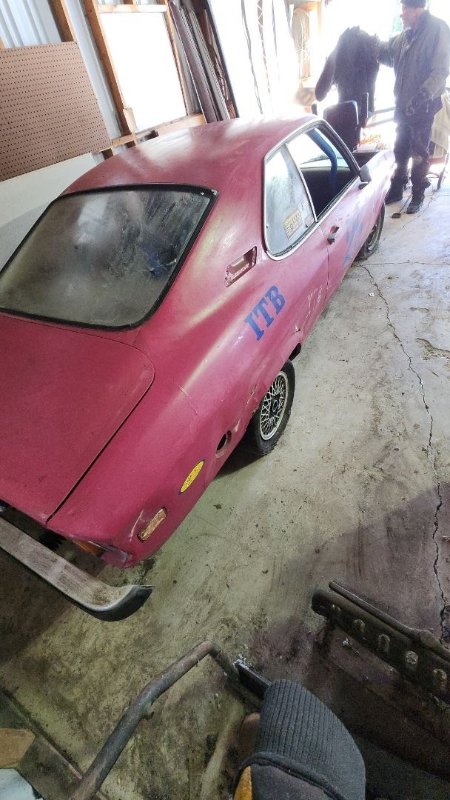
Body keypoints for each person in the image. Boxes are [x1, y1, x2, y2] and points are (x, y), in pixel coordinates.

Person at [379, 0, 450, 213]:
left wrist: (422, 96)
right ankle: (398, 186)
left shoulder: (437, 30)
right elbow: (388, 54)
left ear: (417, 9)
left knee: (419, 151)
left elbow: (441, 70)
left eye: (405, 9)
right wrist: (372, 45)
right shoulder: (405, 36)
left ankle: (418, 193)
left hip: (423, 105)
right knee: (400, 147)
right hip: (402, 103)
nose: (402, 14)